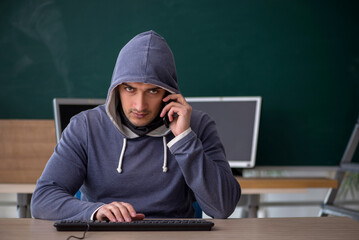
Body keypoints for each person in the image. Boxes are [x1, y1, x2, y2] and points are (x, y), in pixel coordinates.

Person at [31, 30, 241, 222]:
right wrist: (94, 212)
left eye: (152, 91)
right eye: (130, 89)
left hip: (175, 236)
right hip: (105, 236)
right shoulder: (85, 127)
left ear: (168, 94)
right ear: (116, 89)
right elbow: (42, 200)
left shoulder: (197, 125)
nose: (139, 105)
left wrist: (184, 139)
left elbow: (222, 208)